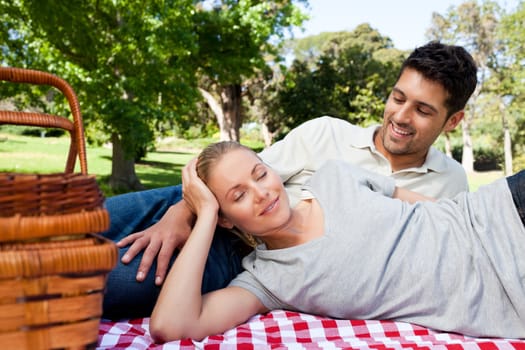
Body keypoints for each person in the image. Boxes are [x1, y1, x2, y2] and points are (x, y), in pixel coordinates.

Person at [101, 41, 478, 319]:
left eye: (423, 110)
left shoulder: (448, 185)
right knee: (78, 214)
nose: (401, 116)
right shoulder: (327, 134)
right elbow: (247, 176)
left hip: (247, 256)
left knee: (107, 282)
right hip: (211, 204)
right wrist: (178, 215)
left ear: (453, 121)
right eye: (398, 98)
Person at [150, 141, 525, 342]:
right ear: (226, 219)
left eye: (260, 174)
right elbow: (171, 326)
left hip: (504, 209)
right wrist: (202, 217)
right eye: (238, 196)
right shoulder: (267, 280)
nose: (262, 193)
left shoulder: (334, 175)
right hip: (511, 293)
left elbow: (440, 210)